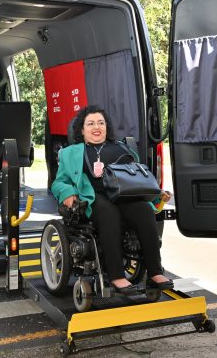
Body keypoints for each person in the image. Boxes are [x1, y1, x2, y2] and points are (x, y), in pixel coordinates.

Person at [51, 105, 173, 295]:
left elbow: (137, 179)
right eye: (90, 123)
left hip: (124, 195)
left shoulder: (121, 148)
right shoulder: (71, 153)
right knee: (108, 212)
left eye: (101, 123)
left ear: (107, 127)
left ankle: (155, 272)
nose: (96, 127)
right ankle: (116, 276)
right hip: (93, 198)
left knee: (144, 210)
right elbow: (59, 182)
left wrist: (157, 194)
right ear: (81, 130)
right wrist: (67, 194)